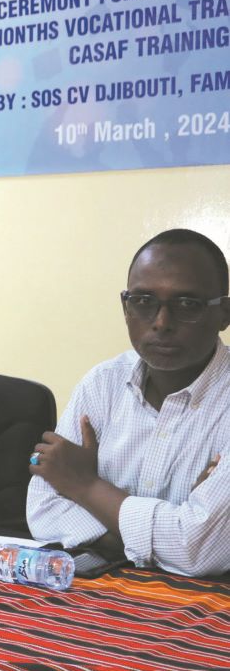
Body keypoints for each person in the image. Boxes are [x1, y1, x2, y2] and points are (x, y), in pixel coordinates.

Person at [28, 229, 230, 577]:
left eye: (187, 304)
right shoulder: (102, 383)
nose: (162, 323)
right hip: (102, 592)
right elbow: (42, 510)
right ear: (126, 307)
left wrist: (85, 486)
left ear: (224, 313)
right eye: (144, 301)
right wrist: (171, 532)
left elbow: (194, 550)